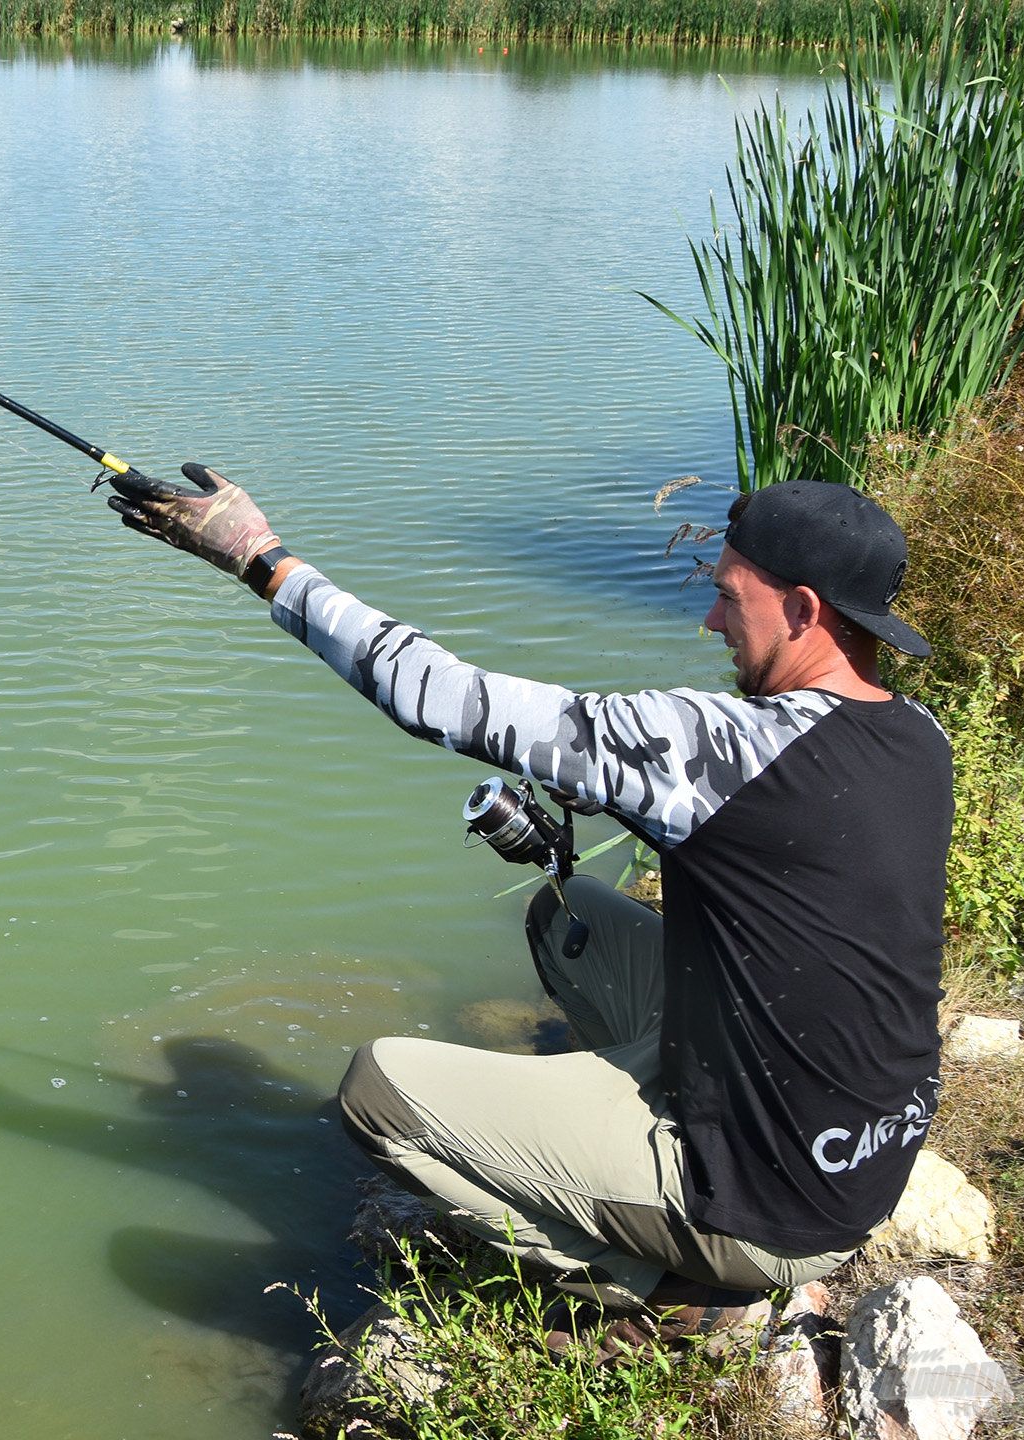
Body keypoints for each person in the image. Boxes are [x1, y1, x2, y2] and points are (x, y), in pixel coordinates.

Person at [104, 464, 952, 1357]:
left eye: (729, 597)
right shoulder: (917, 737)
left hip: (768, 1209)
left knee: (379, 1089)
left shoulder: (733, 746)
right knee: (571, 920)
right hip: (860, 1151)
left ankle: (654, 1286)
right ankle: (628, 1129)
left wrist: (259, 559)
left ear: (806, 611)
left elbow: (437, 696)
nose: (712, 622)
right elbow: (778, 854)